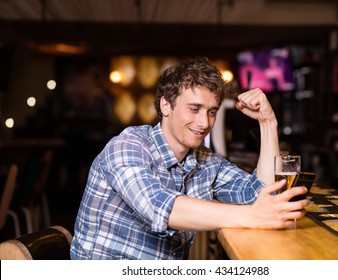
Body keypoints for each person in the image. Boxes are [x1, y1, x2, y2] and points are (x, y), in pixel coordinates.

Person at [70, 57, 309, 260]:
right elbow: (160, 208)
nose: (204, 123)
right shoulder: (127, 146)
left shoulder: (205, 162)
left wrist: (268, 123)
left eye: (211, 112)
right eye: (194, 109)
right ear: (166, 105)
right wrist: (252, 216)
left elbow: (262, 195)